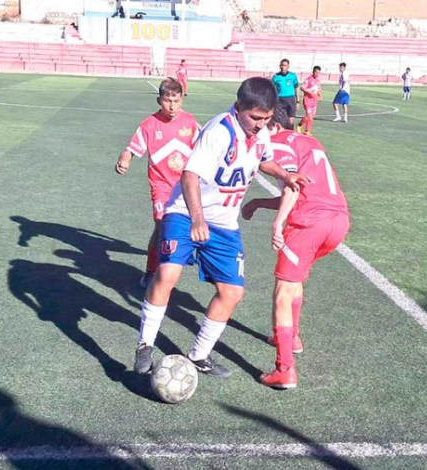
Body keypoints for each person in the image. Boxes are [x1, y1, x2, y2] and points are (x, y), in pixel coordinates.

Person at [133, 77, 311, 378]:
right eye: (255, 118)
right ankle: (145, 345)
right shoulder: (219, 131)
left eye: (266, 118)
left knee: (232, 292)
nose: (260, 125)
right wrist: (197, 218)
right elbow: (189, 176)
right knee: (167, 274)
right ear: (238, 106)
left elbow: (264, 161)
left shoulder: (261, 132)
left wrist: (285, 175)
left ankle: (198, 355)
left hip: (225, 223)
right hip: (186, 213)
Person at [241, 107, 350, 389]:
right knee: (294, 280)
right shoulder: (309, 140)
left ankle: (284, 370)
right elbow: (303, 186)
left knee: (282, 293)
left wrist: (278, 224)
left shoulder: (279, 142)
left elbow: (293, 187)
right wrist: (259, 203)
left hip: (308, 224)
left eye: (264, 124)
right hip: (338, 220)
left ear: (275, 125)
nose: (258, 131)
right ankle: (292, 337)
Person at [115, 78, 200, 289]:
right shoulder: (149, 125)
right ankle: (151, 270)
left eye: (176, 101)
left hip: (186, 186)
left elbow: (202, 152)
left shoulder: (190, 123)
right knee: (161, 225)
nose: (172, 106)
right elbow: (131, 149)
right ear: (159, 100)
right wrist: (124, 159)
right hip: (161, 186)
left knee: (193, 223)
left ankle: (184, 257)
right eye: (168, 101)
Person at [272, 59, 299, 127]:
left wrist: (298, 101)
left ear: (288, 66)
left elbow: (296, 88)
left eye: (285, 65)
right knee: (280, 120)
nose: (283, 67)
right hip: (280, 100)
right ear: (280, 66)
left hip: (290, 99)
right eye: (282, 65)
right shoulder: (275, 77)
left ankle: (290, 132)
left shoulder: (293, 76)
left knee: (291, 121)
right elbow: (272, 90)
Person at [297, 65, 321, 135]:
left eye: (318, 73)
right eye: (316, 72)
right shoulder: (308, 80)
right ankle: (300, 125)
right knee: (309, 116)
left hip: (314, 102)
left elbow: (318, 89)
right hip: (307, 101)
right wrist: (309, 92)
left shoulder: (318, 81)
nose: (317, 74)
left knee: (311, 117)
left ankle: (307, 130)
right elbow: (302, 88)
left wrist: (319, 94)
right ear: (313, 72)